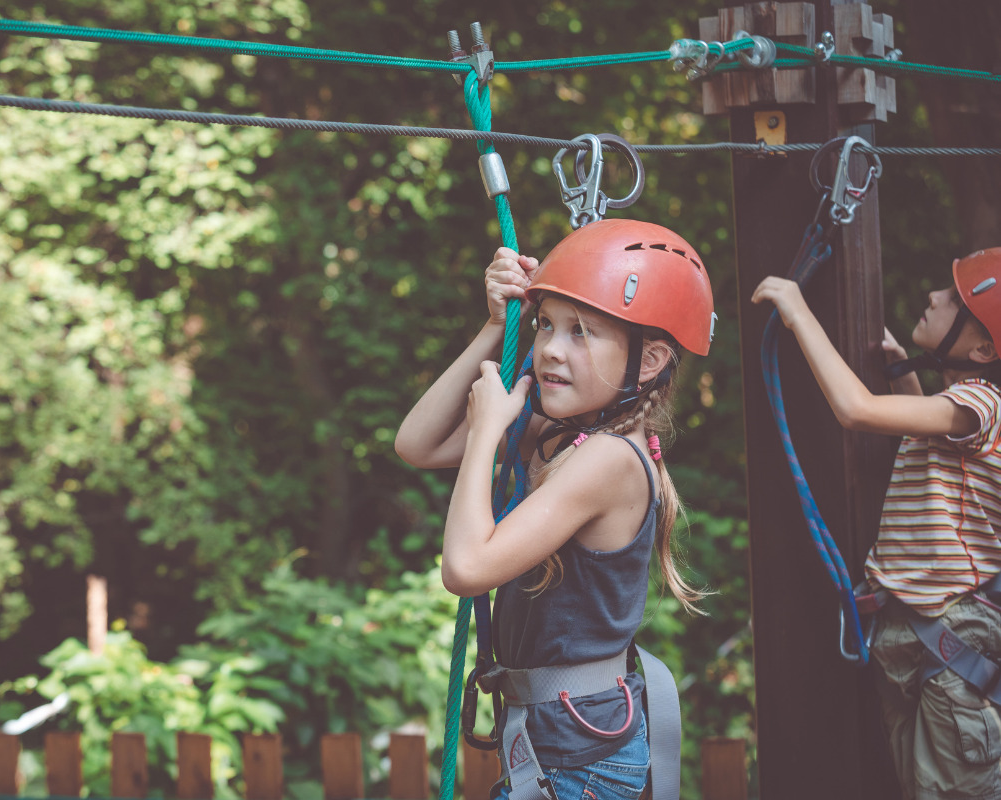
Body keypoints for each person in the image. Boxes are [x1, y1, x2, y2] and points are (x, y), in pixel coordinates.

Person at [396, 219, 716, 800]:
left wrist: (491, 429)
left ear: (649, 362)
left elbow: (465, 568)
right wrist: (496, 327)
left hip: (580, 760)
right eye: (545, 324)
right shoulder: (558, 436)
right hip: (558, 743)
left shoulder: (609, 461)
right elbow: (416, 444)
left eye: (581, 332)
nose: (548, 349)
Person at [753, 247, 1001, 800]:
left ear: (984, 348)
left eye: (955, 300)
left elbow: (856, 409)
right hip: (916, 630)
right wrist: (902, 378)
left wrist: (798, 310)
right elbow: (930, 445)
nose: (935, 297)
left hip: (949, 632)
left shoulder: (983, 405)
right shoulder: (955, 411)